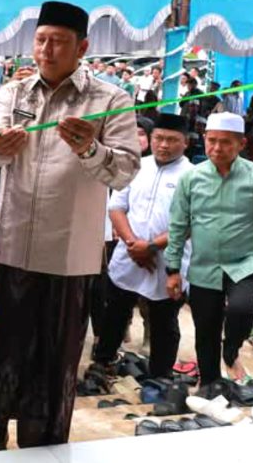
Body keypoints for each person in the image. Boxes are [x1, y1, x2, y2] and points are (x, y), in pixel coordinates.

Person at [0, 1, 140, 453]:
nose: (46, 49)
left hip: (69, 253)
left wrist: (90, 149)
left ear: (82, 47)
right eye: (41, 40)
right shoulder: (14, 94)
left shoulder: (110, 99)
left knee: (55, 357)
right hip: (14, 242)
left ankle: (44, 444)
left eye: (59, 42)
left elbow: (125, 170)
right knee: (3, 348)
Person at [166, 112, 253, 384]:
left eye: (226, 142)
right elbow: (178, 226)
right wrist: (172, 269)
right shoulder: (191, 178)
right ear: (204, 139)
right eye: (212, 141)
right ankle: (210, 384)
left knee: (241, 310)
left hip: (247, 263)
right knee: (205, 329)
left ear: (241, 144)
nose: (217, 148)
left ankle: (231, 347)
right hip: (204, 266)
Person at [90, 114, 193, 380]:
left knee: (164, 320)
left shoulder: (194, 176)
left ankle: (160, 377)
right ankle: (103, 362)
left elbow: (192, 222)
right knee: (115, 311)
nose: (164, 145)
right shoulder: (137, 166)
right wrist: (133, 245)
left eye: (172, 140)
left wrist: (151, 247)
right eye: (159, 138)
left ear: (186, 142)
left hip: (168, 260)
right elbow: (116, 207)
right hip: (129, 253)